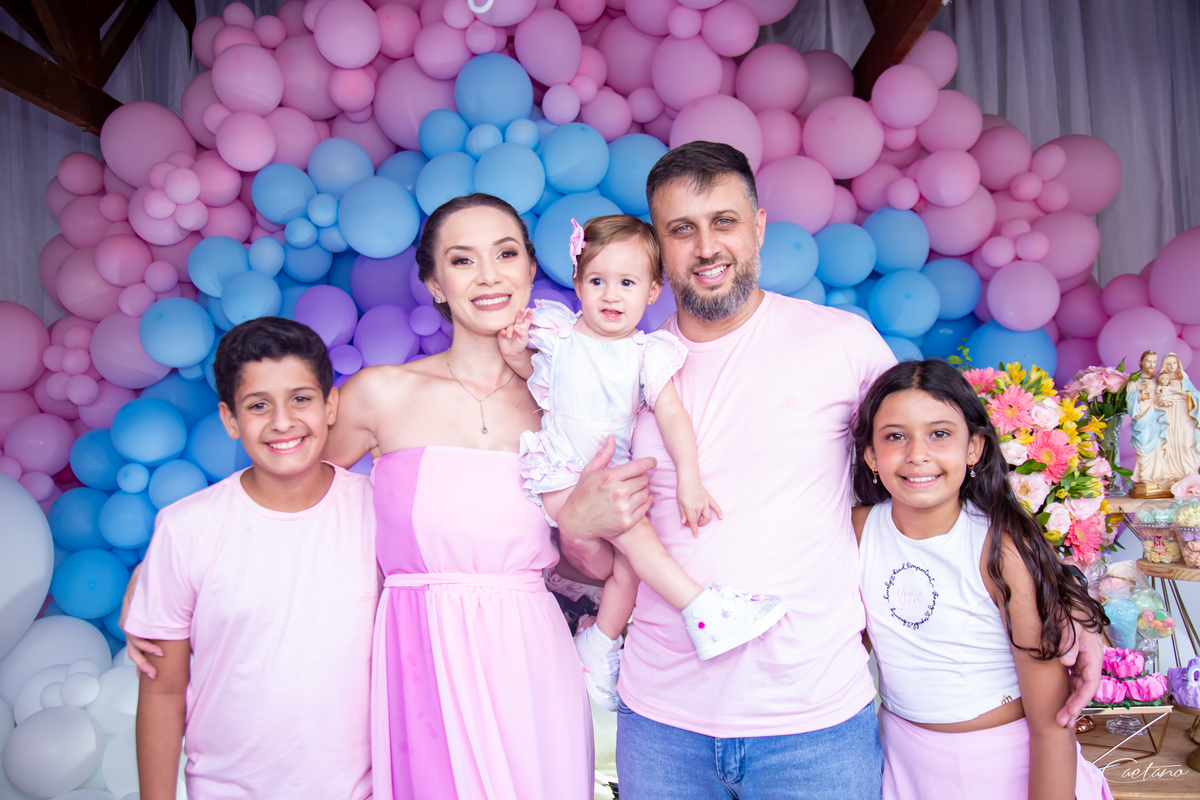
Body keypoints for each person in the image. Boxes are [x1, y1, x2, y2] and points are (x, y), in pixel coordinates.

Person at [554, 141, 1105, 799]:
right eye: (682, 229)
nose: (706, 247)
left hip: (816, 723)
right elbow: (591, 558)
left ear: (759, 226)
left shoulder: (841, 343)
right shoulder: (618, 365)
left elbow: (939, 476)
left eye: (724, 221)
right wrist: (575, 529)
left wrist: (1065, 599)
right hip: (661, 722)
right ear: (658, 245)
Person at [323, 193, 593, 800]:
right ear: (434, 284)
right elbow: (292, 504)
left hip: (531, 654)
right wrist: (190, 568)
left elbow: (597, 563)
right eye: (463, 260)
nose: (489, 276)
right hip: (419, 647)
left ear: (531, 269)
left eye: (506, 254)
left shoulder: (564, 407)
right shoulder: (379, 394)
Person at [498, 214, 785, 711]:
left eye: (627, 283)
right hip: (564, 475)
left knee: (630, 570)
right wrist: (514, 354)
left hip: (614, 482)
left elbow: (673, 415)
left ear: (653, 292)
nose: (611, 295)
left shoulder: (645, 354)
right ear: (577, 284)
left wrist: (689, 479)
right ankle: (702, 610)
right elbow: (536, 375)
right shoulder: (559, 334)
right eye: (597, 281)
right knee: (641, 540)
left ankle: (598, 647)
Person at [124, 317, 377, 800]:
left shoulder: (379, 511)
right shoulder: (185, 528)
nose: (282, 421)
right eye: (258, 405)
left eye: (300, 399)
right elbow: (162, 690)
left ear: (330, 405)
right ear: (230, 419)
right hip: (226, 789)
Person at [851, 358, 1112, 800]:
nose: (917, 454)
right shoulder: (857, 531)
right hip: (903, 763)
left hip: (1004, 768)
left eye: (939, 434)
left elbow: (1053, 724)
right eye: (895, 436)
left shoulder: (1000, 548)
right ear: (872, 455)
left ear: (973, 448)